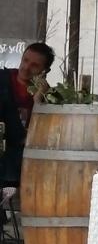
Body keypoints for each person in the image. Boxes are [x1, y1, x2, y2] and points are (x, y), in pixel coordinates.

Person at [0, 42, 54, 186]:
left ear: (45, 71)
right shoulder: (3, 80)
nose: (26, 67)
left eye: (34, 65)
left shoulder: (49, 97)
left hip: (29, 167)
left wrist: (38, 101)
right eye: (25, 60)